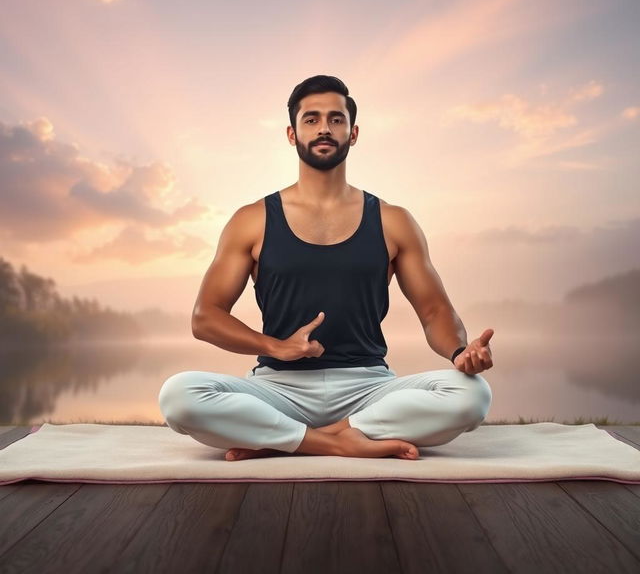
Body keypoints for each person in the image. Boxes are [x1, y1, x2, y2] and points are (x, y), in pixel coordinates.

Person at [158, 75, 494, 461]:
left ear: (352, 133)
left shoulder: (393, 220)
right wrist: (276, 347)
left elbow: (435, 311)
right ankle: (335, 442)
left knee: (473, 394)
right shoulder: (251, 220)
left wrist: (458, 353)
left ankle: (286, 439)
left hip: (368, 389)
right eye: (311, 119)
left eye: (336, 120)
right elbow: (206, 317)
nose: (324, 128)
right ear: (291, 133)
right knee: (179, 395)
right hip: (278, 390)